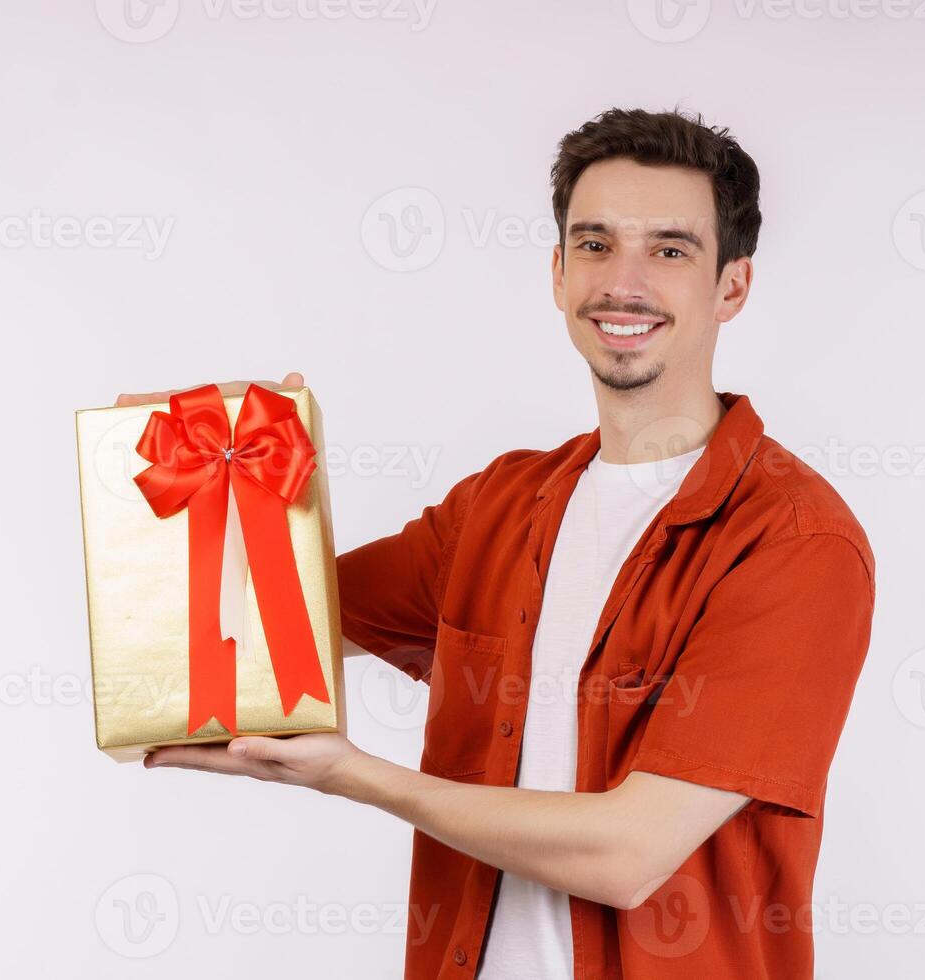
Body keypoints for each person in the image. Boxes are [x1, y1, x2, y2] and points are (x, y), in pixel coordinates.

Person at [122, 106, 876, 980]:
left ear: (732, 286)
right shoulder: (496, 509)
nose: (622, 282)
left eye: (669, 250)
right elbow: (253, 638)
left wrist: (353, 775)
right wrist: (233, 475)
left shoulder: (794, 542)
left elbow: (630, 854)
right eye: (594, 245)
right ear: (558, 274)